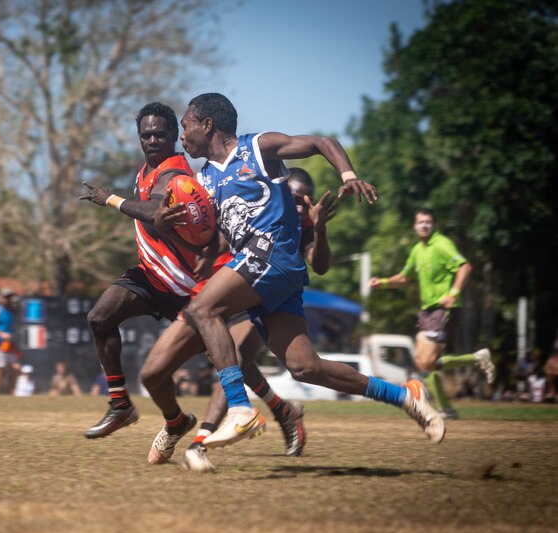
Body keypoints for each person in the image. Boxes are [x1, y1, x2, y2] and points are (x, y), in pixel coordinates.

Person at [167, 92, 445, 450]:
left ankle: (239, 408)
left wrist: (348, 174)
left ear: (207, 125)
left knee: (204, 309)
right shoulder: (203, 180)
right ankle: (405, 395)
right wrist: (204, 250)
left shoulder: (257, 148)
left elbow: (320, 141)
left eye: (185, 125)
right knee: (304, 366)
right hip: (267, 272)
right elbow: (225, 231)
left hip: (272, 256)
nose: (182, 135)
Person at [142, 165, 336, 471]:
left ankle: (200, 444)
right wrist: (203, 248)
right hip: (228, 288)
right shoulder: (260, 205)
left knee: (234, 362)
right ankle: (283, 409)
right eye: (294, 198)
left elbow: (320, 263)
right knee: (211, 361)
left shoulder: (304, 227)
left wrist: (320, 229)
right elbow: (222, 229)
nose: (299, 207)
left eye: (304, 201)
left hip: (266, 299)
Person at [79, 102, 205, 441]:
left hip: (187, 286)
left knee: (232, 363)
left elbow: (153, 211)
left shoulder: (175, 172)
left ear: (174, 136)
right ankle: (121, 405)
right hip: (152, 277)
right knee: (99, 317)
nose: (152, 140)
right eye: (146, 135)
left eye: (159, 134)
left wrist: (110, 199)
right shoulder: (145, 169)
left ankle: (281, 410)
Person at [369, 207, 496, 420]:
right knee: (425, 363)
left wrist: (454, 293)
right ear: (414, 226)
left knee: (426, 362)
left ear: (434, 225)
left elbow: (465, 266)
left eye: (428, 222)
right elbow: (404, 277)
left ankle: (454, 396)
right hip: (427, 312)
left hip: (444, 309)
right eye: (420, 222)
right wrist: (381, 283)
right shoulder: (418, 249)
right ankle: (470, 370)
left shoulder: (442, 244)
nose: (424, 225)